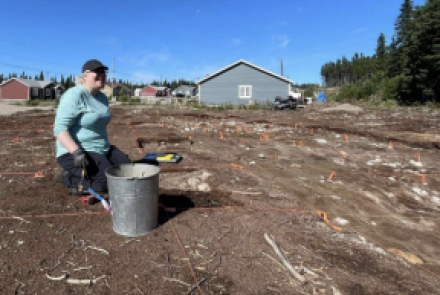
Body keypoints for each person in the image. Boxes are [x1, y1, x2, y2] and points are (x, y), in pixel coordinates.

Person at [53, 59, 131, 194]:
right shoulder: (74, 95)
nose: (102, 75)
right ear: (85, 76)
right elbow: (60, 128)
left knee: (127, 171)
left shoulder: (102, 98)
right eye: (97, 72)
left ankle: (89, 172)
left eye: (103, 72)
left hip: (101, 148)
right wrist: (76, 152)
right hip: (77, 151)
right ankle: (70, 177)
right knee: (106, 182)